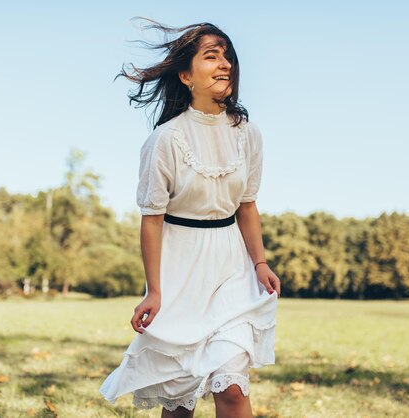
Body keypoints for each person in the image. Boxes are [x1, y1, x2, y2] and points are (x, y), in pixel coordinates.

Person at [99, 19, 281, 418]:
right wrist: (155, 291)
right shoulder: (165, 140)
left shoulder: (247, 133)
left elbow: (247, 205)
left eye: (228, 56)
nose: (225, 64)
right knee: (180, 403)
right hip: (181, 272)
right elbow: (152, 221)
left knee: (232, 389)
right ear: (185, 74)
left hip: (232, 269)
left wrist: (260, 263)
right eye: (211, 56)